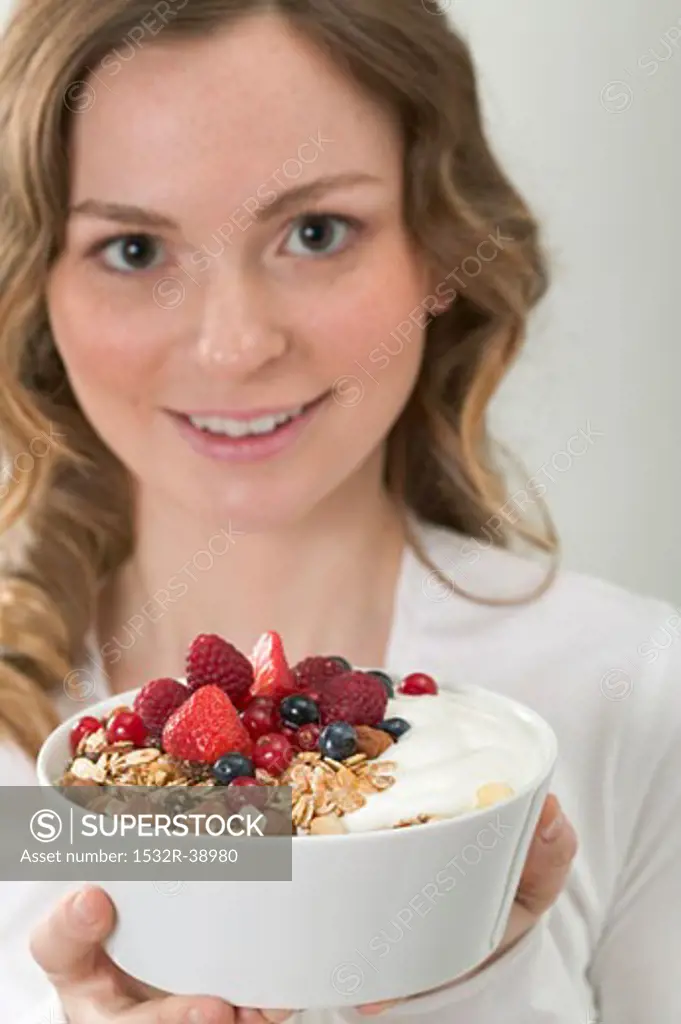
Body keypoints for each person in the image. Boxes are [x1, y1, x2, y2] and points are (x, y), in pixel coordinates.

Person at [0, 0, 678, 1021]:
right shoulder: (28, 766)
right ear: (38, 286)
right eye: (134, 250)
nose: (235, 346)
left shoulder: (635, 695)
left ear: (437, 244)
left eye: (315, 232)